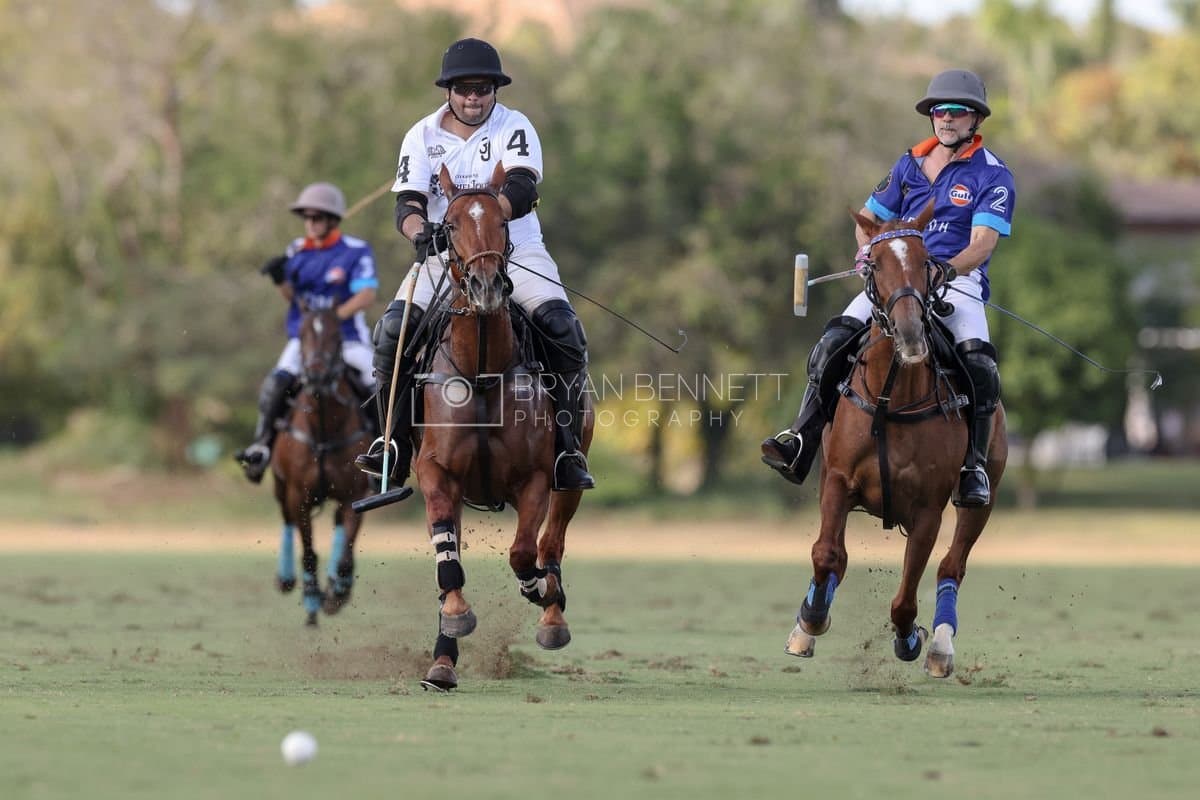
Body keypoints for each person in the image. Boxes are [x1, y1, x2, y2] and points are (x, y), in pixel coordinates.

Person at [762, 69, 1015, 507]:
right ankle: (800, 438)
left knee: (980, 365)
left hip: (956, 283)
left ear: (976, 119)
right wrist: (868, 257)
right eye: (939, 110)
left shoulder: (992, 175)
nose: (946, 119)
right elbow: (867, 221)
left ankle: (973, 465)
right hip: (896, 280)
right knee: (832, 341)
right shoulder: (909, 164)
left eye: (956, 112)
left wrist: (942, 272)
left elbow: (982, 245)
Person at [355, 37, 595, 492]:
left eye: (483, 89)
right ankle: (391, 445)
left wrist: (482, 226)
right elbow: (407, 205)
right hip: (445, 255)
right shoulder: (421, 135)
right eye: (464, 88)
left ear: (494, 91)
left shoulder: (514, 126)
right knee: (391, 334)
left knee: (564, 330)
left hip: (515, 250)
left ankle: (566, 447)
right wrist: (419, 233)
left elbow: (522, 186)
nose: (473, 97)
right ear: (448, 90)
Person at [234, 182, 380, 483]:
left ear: (333, 220)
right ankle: (261, 446)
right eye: (307, 218)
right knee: (276, 382)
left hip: (346, 338)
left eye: (317, 218)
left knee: (377, 383)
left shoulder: (354, 251)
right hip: (305, 342)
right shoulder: (297, 251)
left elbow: (366, 295)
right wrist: (279, 279)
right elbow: (291, 295)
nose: (311, 223)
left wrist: (328, 319)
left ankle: (383, 454)